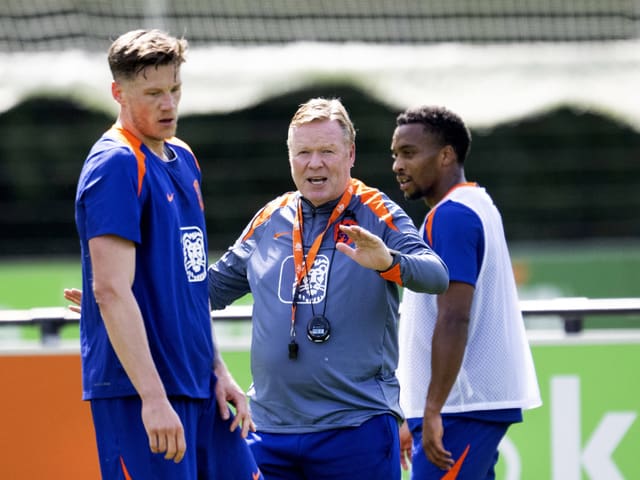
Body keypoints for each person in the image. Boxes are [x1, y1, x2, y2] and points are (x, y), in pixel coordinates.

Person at [207, 97, 450, 480]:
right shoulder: (270, 218)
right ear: (289, 157)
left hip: (356, 429)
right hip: (269, 432)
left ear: (350, 154)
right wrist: (132, 296)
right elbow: (208, 291)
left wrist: (388, 262)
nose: (314, 163)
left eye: (327, 151)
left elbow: (437, 275)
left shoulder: (376, 210)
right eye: (303, 152)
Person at [68, 29, 261, 479]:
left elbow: (191, 281)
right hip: (143, 396)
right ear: (118, 92)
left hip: (201, 387)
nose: (169, 105)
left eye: (175, 90)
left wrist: (218, 370)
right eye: (153, 93)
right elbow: (111, 291)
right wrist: (153, 400)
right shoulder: (115, 164)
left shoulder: (184, 158)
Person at [392, 106, 542, 479]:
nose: (397, 165)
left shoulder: (453, 215)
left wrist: (432, 410)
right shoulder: (473, 205)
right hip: (461, 405)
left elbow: (454, 316)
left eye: (409, 153)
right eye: (395, 154)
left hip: (460, 407)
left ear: (446, 156)